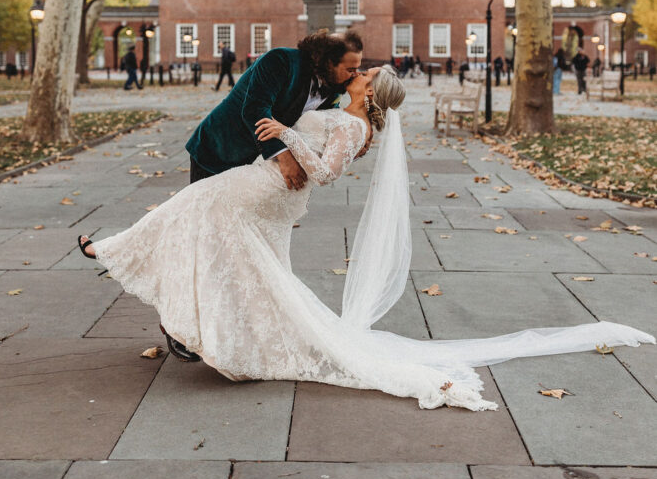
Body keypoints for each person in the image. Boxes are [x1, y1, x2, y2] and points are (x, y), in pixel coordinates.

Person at [78, 63, 654, 412]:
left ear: (370, 92)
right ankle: (204, 323)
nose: (359, 70)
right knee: (244, 258)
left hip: (269, 188)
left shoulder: (354, 124)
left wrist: (284, 133)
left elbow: (325, 170)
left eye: (366, 74)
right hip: (269, 188)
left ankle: (115, 249)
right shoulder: (342, 109)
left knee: (195, 205)